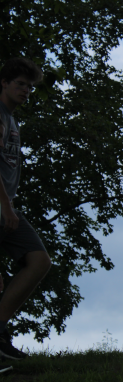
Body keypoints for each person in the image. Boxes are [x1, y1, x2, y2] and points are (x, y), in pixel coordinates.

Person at [0, 58, 52, 360]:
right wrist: (5, 206)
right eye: (20, 84)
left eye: (30, 87)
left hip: (7, 209)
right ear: (4, 83)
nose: (26, 91)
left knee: (39, 261)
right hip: (3, 207)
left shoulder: (12, 120)